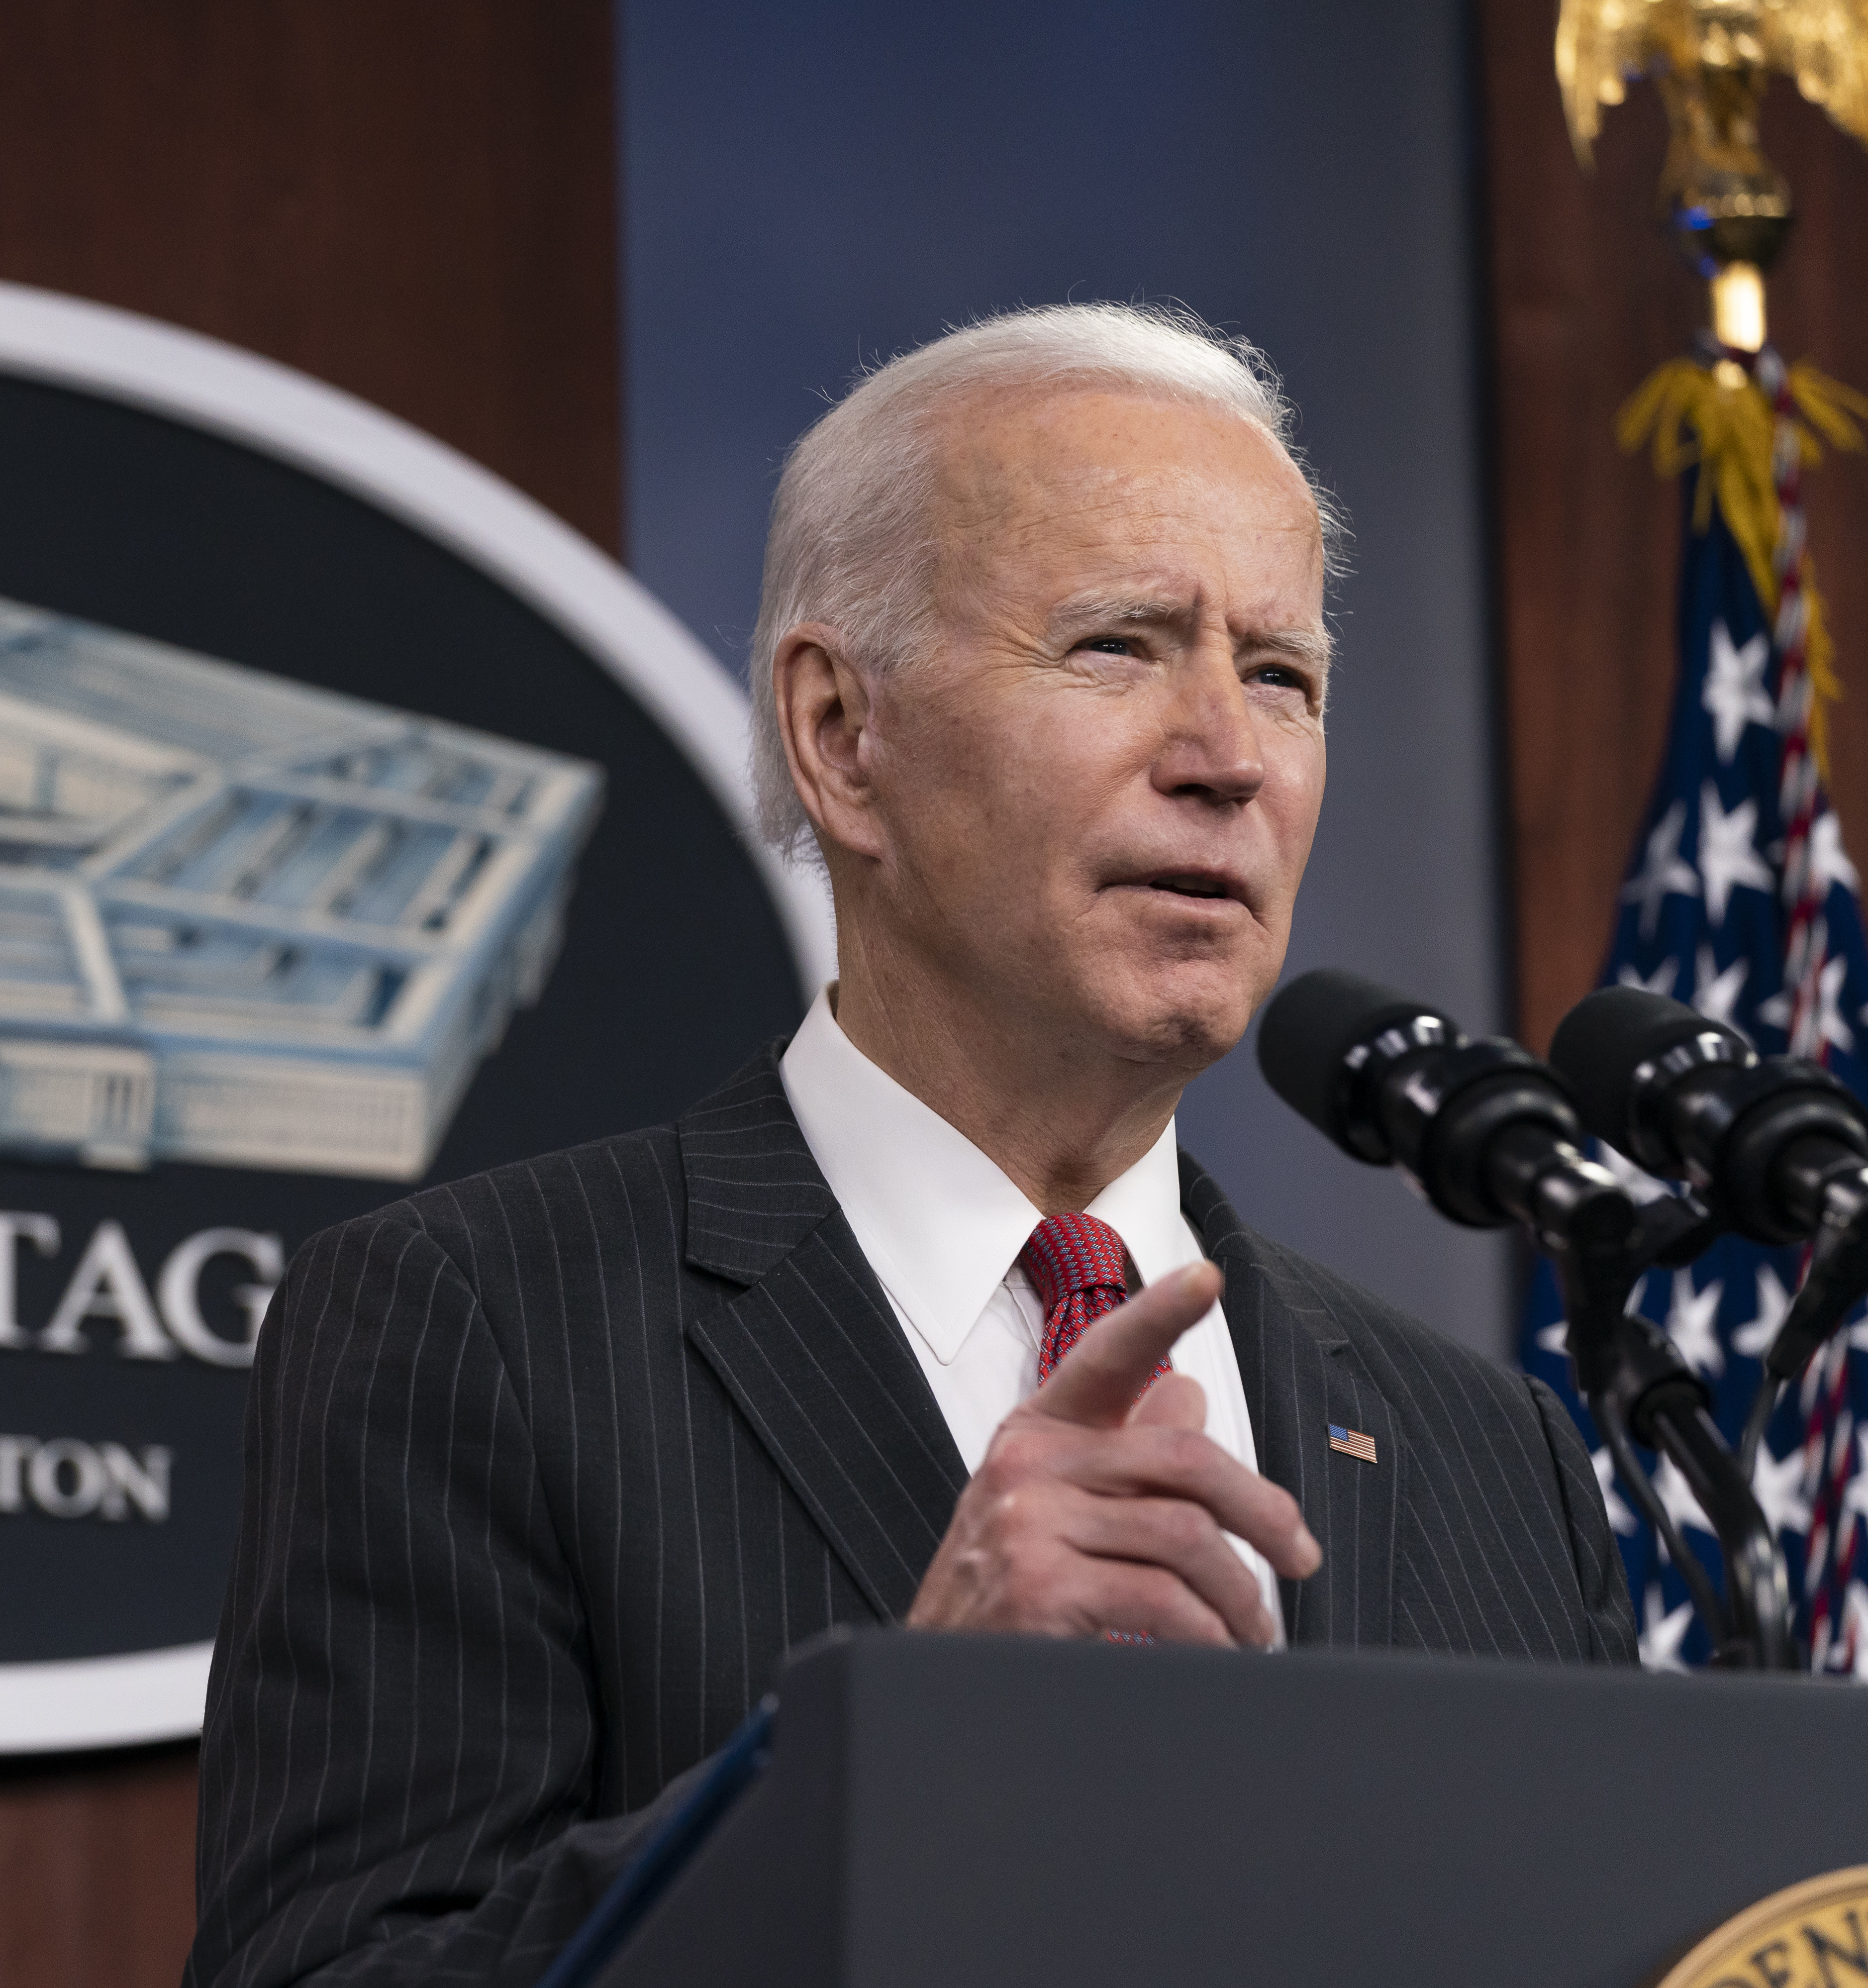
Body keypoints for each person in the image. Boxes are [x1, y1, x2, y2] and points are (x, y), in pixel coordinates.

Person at [183, 303, 1632, 1988]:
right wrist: (878, 1750)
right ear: (840, 736)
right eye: (1116, 645)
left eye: (1284, 675)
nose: (1230, 758)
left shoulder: (1489, 1455)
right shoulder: (476, 1326)